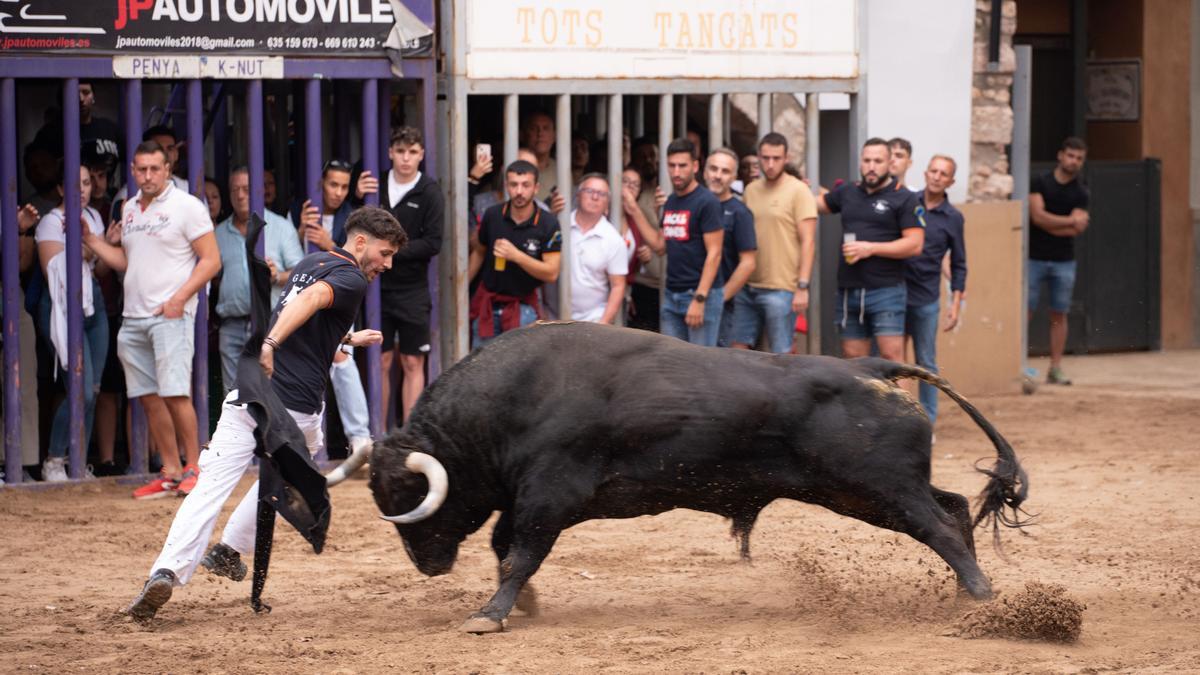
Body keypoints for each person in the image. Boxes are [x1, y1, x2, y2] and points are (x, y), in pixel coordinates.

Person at [125, 207, 405, 622]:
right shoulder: (351, 279)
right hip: (295, 410)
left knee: (209, 487)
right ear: (360, 243)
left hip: (249, 393)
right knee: (287, 477)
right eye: (385, 253)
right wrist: (271, 343)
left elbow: (305, 316)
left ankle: (165, 570)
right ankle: (229, 549)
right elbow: (310, 303)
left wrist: (345, 337)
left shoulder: (311, 263)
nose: (388, 263)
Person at [83, 140, 221, 499]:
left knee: (176, 393)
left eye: (154, 169)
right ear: (132, 170)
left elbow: (211, 261)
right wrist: (93, 242)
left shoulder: (187, 206)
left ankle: (195, 468)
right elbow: (131, 262)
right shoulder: (129, 208)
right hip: (133, 317)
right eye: (141, 169)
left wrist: (178, 299)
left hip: (169, 315)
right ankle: (172, 470)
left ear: (167, 169)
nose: (147, 176)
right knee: (147, 397)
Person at [34, 164, 111, 481]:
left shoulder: (94, 217)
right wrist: (94, 247)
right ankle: (54, 459)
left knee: (92, 387)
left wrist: (101, 247)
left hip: (93, 301)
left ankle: (77, 462)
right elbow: (53, 266)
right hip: (62, 304)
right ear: (61, 189)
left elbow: (102, 270)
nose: (82, 189)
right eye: (73, 184)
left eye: (86, 183)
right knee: (79, 387)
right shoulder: (50, 222)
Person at [816, 138, 925, 362]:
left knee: (891, 358)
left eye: (878, 161)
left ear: (889, 163)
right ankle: (863, 400)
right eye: (867, 160)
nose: (871, 167)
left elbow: (915, 244)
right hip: (849, 289)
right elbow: (817, 204)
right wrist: (793, 186)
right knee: (854, 359)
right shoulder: (847, 191)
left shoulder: (904, 197)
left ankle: (899, 400)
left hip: (886, 290)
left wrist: (871, 249)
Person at [367, 127, 444, 425]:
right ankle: (378, 435)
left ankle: (407, 438)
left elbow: (434, 243)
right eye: (400, 151)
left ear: (422, 155)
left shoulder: (430, 191)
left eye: (412, 152)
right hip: (376, 287)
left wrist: (389, 251)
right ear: (390, 152)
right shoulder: (373, 185)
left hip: (412, 289)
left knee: (412, 361)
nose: (406, 158)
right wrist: (361, 195)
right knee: (380, 360)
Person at [214, 168, 305, 395]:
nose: (240, 195)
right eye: (235, 190)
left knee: (274, 392)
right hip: (232, 323)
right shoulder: (218, 233)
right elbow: (213, 278)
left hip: (273, 323)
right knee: (233, 396)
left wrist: (275, 276)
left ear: (258, 191)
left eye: (246, 189)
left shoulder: (281, 227)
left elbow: (300, 274)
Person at [628, 138, 724, 346]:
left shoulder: (707, 202)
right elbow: (661, 246)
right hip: (672, 294)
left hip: (699, 295)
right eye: (672, 166)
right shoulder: (671, 201)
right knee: (673, 365)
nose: (676, 172)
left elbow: (714, 254)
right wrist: (634, 210)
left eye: (682, 166)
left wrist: (700, 299)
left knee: (699, 366)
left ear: (695, 166)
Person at [733, 133, 816, 354]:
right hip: (748, 285)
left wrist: (802, 287)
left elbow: (808, 241)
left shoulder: (799, 190)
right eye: (766, 158)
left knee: (782, 354)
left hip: (782, 288)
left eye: (776, 158)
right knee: (737, 350)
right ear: (758, 157)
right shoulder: (751, 190)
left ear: (786, 158)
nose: (770, 164)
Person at [468, 160, 561, 348]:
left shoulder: (548, 223)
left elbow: (551, 272)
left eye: (525, 185)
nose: (519, 191)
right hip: (488, 305)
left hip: (523, 308)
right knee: (481, 370)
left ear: (536, 188)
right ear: (506, 186)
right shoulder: (493, 215)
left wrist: (516, 256)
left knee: (519, 374)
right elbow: (480, 251)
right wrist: (462, 289)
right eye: (513, 185)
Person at [904, 155, 967, 425]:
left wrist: (955, 306)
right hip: (895, 293)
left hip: (926, 297)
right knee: (890, 358)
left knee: (926, 362)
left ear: (950, 181)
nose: (937, 176)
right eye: (934, 171)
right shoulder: (908, 204)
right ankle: (893, 420)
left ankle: (927, 423)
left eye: (944, 173)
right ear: (925, 173)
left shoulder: (953, 217)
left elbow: (960, 263)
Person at [1029, 136, 1089, 385]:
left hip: (1064, 260)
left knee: (1059, 314)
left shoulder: (1082, 191)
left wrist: (1049, 222)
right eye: (1070, 156)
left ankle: (1055, 367)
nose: (1073, 161)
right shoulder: (1040, 181)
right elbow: (1036, 216)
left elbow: (1078, 228)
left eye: (1079, 158)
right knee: (1026, 311)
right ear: (1060, 155)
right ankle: (1018, 363)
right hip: (1034, 257)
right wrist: (1067, 221)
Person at [702, 149, 757, 348]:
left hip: (721, 305)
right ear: (704, 171)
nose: (718, 175)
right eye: (714, 169)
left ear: (733, 177)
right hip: (687, 299)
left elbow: (748, 263)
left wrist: (719, 298)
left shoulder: (740, 212)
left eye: (725, 171)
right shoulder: (694, 204)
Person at [567, 174, 628, 323]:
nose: (595, 197)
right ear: (578, 195)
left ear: (607, 203)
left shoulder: (613, 239)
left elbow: (618, 285)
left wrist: (603, 323)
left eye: (601, 194)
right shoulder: (559, 226)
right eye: (589, 191)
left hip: (593, 320)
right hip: (553, 317)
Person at [112, 126, 189, 215]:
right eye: (159, 149)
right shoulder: (125, 196)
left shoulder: (188, 189)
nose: (165, 153)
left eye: (170, 148)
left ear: (176, 154)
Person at [290, 159, 355, 252]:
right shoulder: (297, 210)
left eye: (344, 187)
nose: (339, 193)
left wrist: (330, 246)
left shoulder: (352, 216)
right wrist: (301, 231)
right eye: (333, 185)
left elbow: (355, 261)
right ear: (321, 183)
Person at [522, 111, 558, 202]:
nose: (540, 134)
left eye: (546, 128)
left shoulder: (562, 170)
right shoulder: (511, 167)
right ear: (522, 135)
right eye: (533, 128)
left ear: (554, 136)